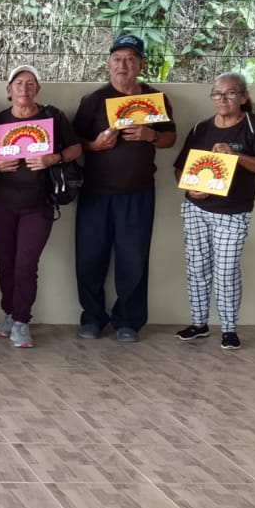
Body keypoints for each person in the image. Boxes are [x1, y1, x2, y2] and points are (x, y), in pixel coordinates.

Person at [72, 33, 177, 342]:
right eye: (117, 59)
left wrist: (150, 136)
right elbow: (74, 145)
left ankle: (128, 321)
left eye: (131, 59)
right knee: (89, 258)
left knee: (134, 259)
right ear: (108, 65)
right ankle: (92, 318)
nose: (123, 65)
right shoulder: (93, 100)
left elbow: (170, 138)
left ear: (141, 65)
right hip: (96, 193)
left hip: (138, 193)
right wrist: (95, 145)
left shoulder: (156, 99)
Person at [172, 72, 255, 351]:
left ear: (243, 97)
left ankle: (229, 329)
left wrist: (236, 156)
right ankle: (199, 324)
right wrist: (191, 188)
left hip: (233, 212)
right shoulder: (200, 128)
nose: (223, 99)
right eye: (217, 94)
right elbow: (180, 168)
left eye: (230, 93)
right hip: (196, 208)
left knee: (226, 271)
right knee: (197, 267)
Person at [0, 65, 83, 348]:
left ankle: (22, 321)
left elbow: (76, 148)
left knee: (26, 264)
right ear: (8, 90)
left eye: (30, 83)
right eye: (18, 83)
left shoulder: (52, 117)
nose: (24, 88)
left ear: (38, 89)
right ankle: (9, 313)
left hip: (38, 205)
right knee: (5, 263)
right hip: (0, 203)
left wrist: (54, 158)